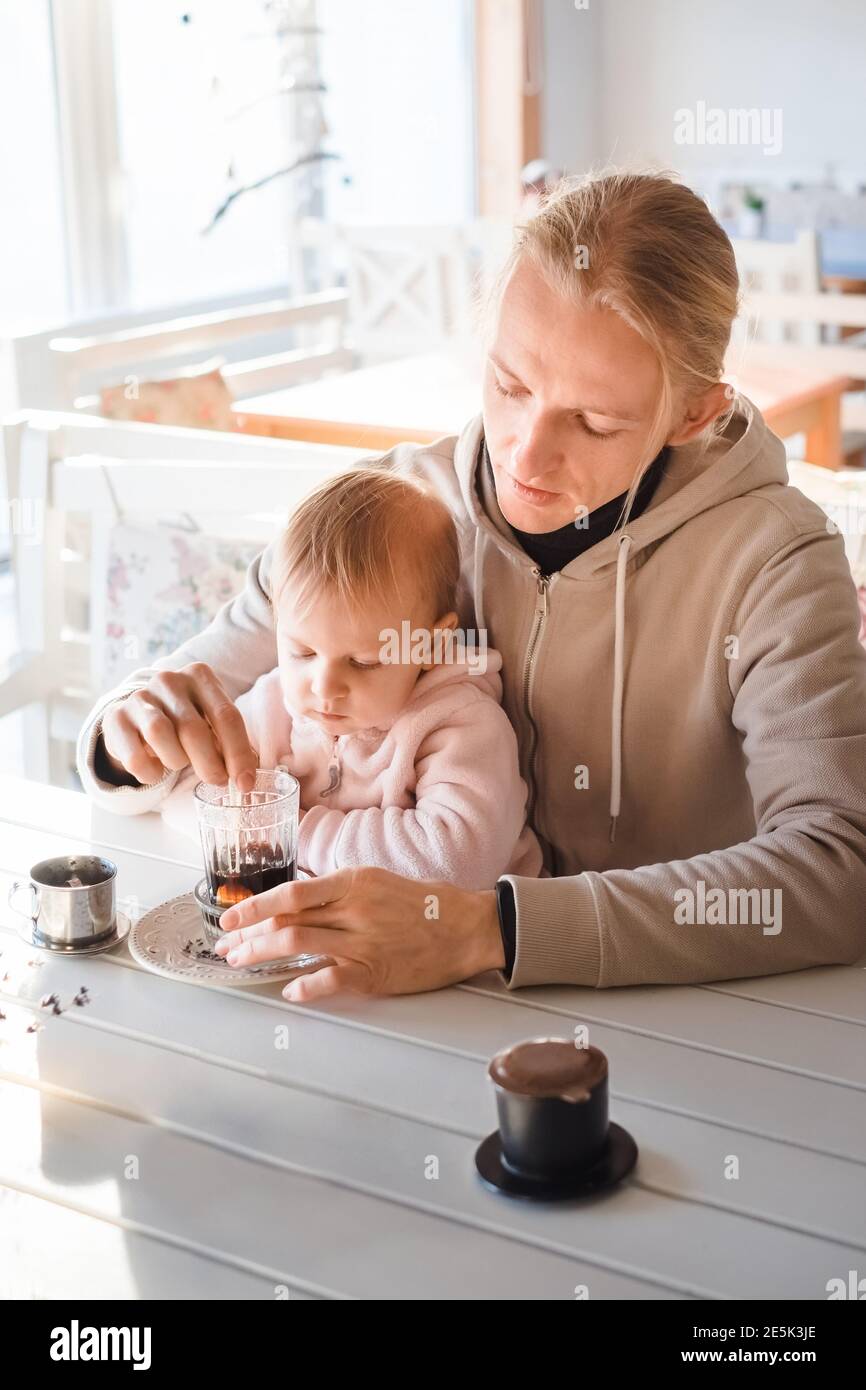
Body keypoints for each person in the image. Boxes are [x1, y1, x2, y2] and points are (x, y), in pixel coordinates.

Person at [76, 168, 866, 1003]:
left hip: (698, 1015)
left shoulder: (777, 560)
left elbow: (839, 867)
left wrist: (500, 928)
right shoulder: (385, 518)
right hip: (392, 1009)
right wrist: (127, 737)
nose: (523, 455)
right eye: (510, 385)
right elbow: (188, 694)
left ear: (694, 416)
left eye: (594, 422)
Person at [151, 467, 542, 888]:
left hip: (464, 948)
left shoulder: (461, 723)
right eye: (303, 652)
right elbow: (186, 794)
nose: (324, 687)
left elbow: (455, 863)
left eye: (363, 662)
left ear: (429, 645)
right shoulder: (273, 704)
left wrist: (287, 833)